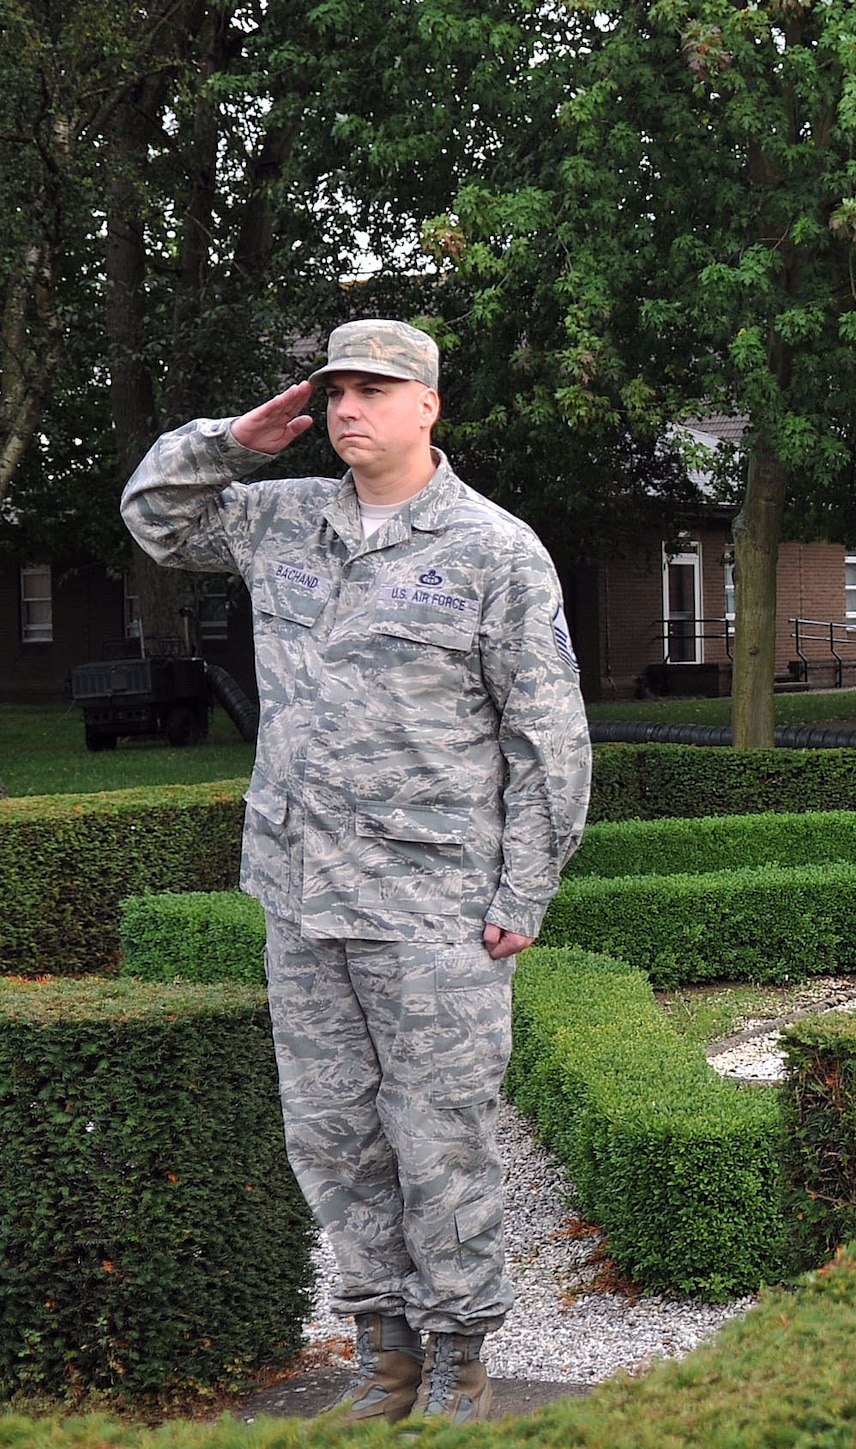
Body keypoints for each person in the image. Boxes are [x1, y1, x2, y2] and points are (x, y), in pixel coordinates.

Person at [120, 320, 592, 1426]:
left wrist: (524, 891)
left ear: (428, 404)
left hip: (434, 907)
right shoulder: (278, 520)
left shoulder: (493, 550)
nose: (346, 410)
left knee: (442, 1139)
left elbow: (550, 739)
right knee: (331, 1138)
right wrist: (232, 441)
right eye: (334, 391)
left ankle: (459, 1366)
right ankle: (380, 1358)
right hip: (302, 895)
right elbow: (154, 516)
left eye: (373, 391)